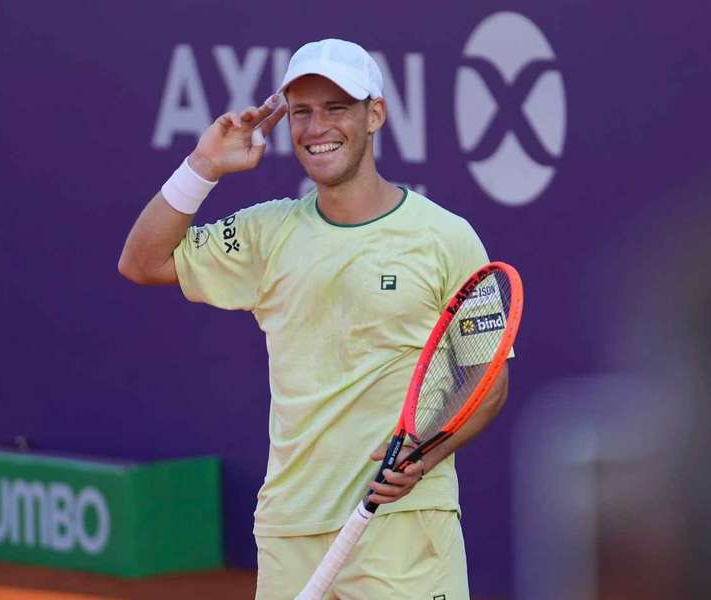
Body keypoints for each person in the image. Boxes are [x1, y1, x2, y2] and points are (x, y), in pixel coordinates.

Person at [119, 38, 508, 600]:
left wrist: (427, 453)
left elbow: (486, 382)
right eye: (301, 111)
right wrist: (203, 165)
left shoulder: (447, 237)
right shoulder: (265, 233)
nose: (315, 127)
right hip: (290, 527)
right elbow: (141, 261)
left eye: (336, 108)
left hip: (401, 526)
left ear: (374, 114)